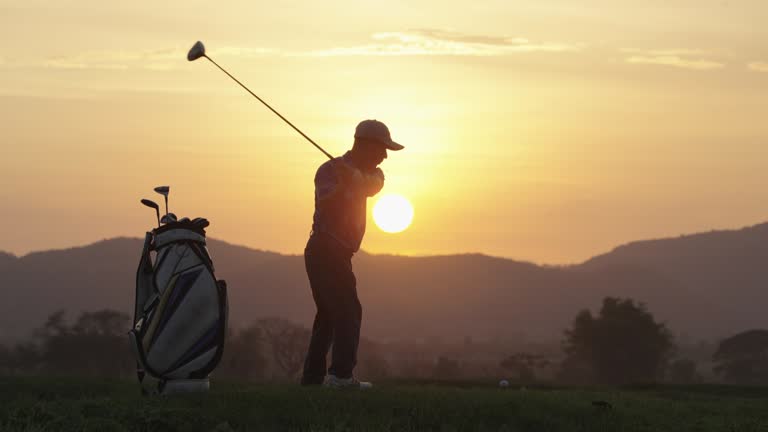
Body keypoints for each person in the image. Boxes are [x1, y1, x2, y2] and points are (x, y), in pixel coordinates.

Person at [301, 119, 404, 388]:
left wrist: (353, 179)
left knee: (328, 315)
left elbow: (373, 185)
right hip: (324, 249)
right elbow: (326, 200)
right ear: (366, 145)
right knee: (348, 309)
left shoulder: (375, 174)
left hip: (338, 253)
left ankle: (312, 380)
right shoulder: (328, 170)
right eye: (382, 149)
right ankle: (341, 376)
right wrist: (343, 183)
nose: (384, 156)